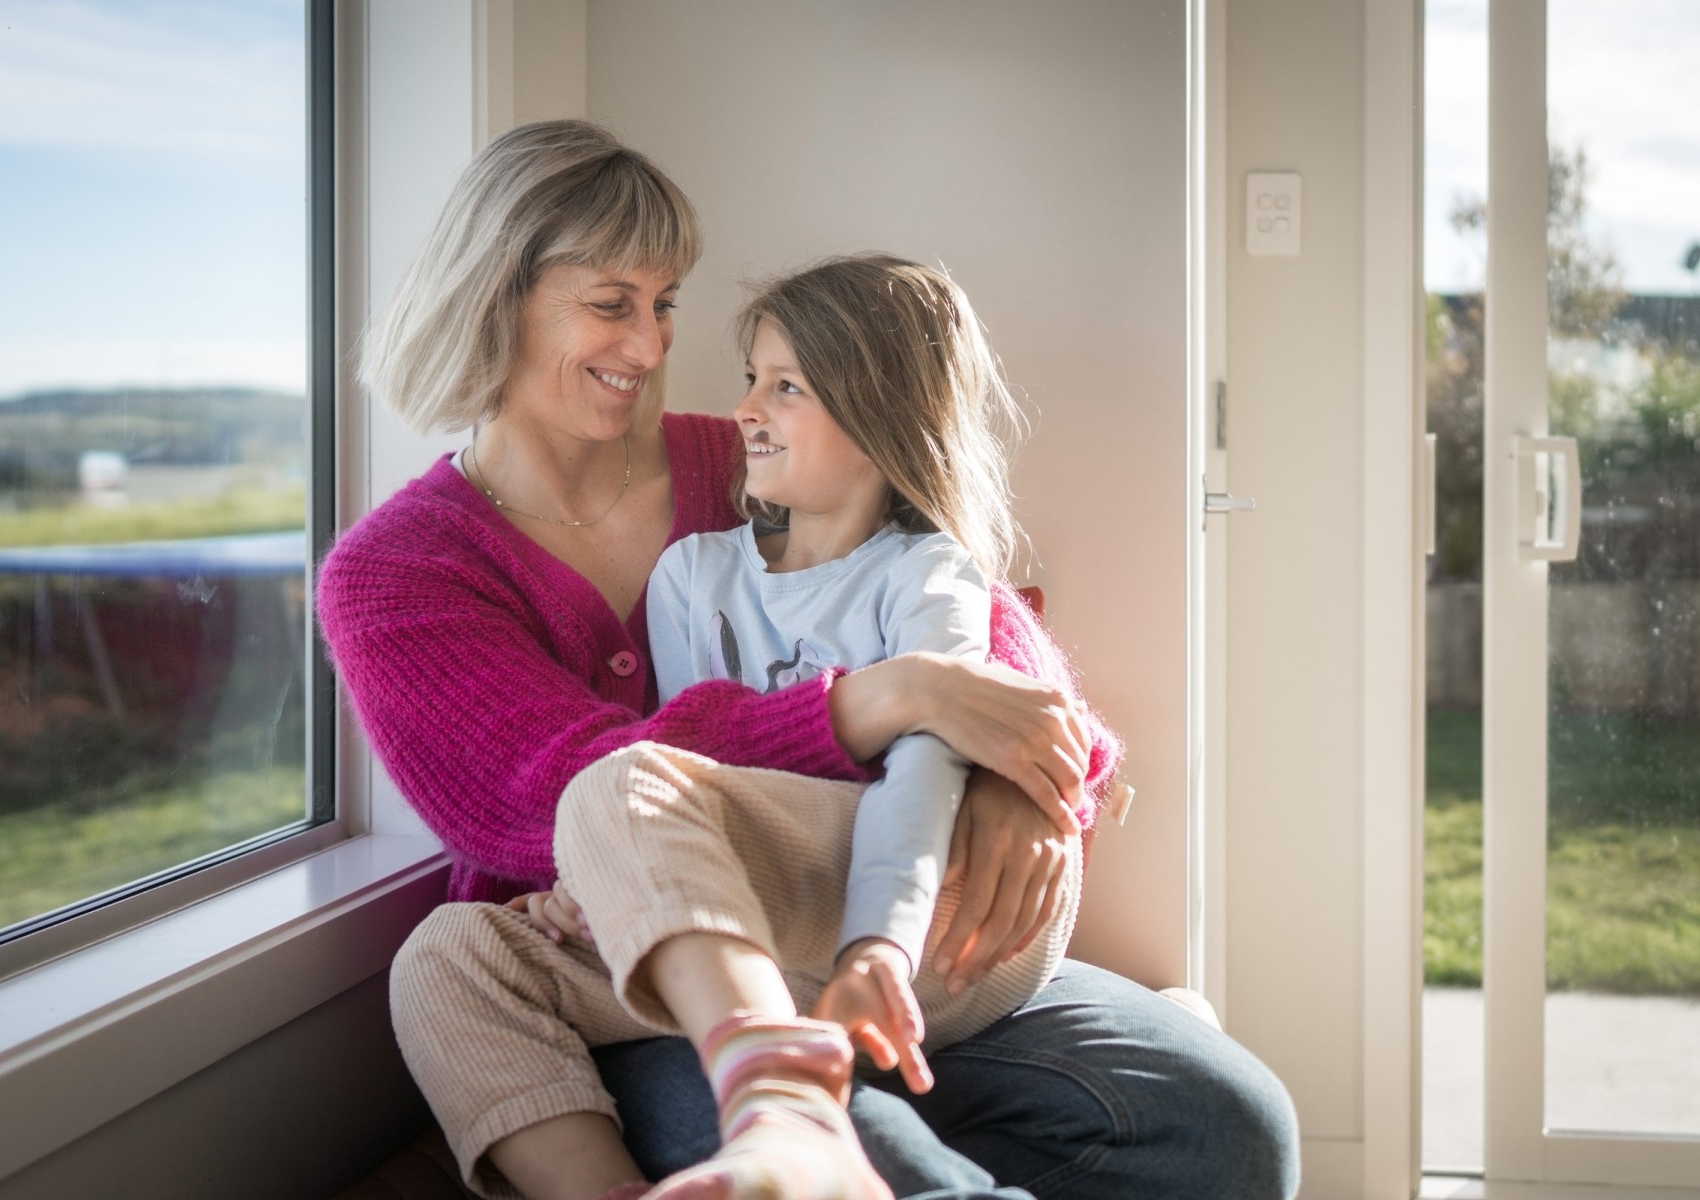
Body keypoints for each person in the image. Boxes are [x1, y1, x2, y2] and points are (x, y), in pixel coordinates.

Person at [317, 119, 1299, 1200]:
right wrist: (877, 702)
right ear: (495, 293)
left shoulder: (743, 459)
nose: (648, 348)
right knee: (887, 1171)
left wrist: (1036, 776)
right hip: (646, 976)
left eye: (664, 303)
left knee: (1225, 1127)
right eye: (611, 304)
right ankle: (799, 1118)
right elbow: (551, 794)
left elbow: (968, 619)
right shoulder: (396, 573)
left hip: (889, 910)